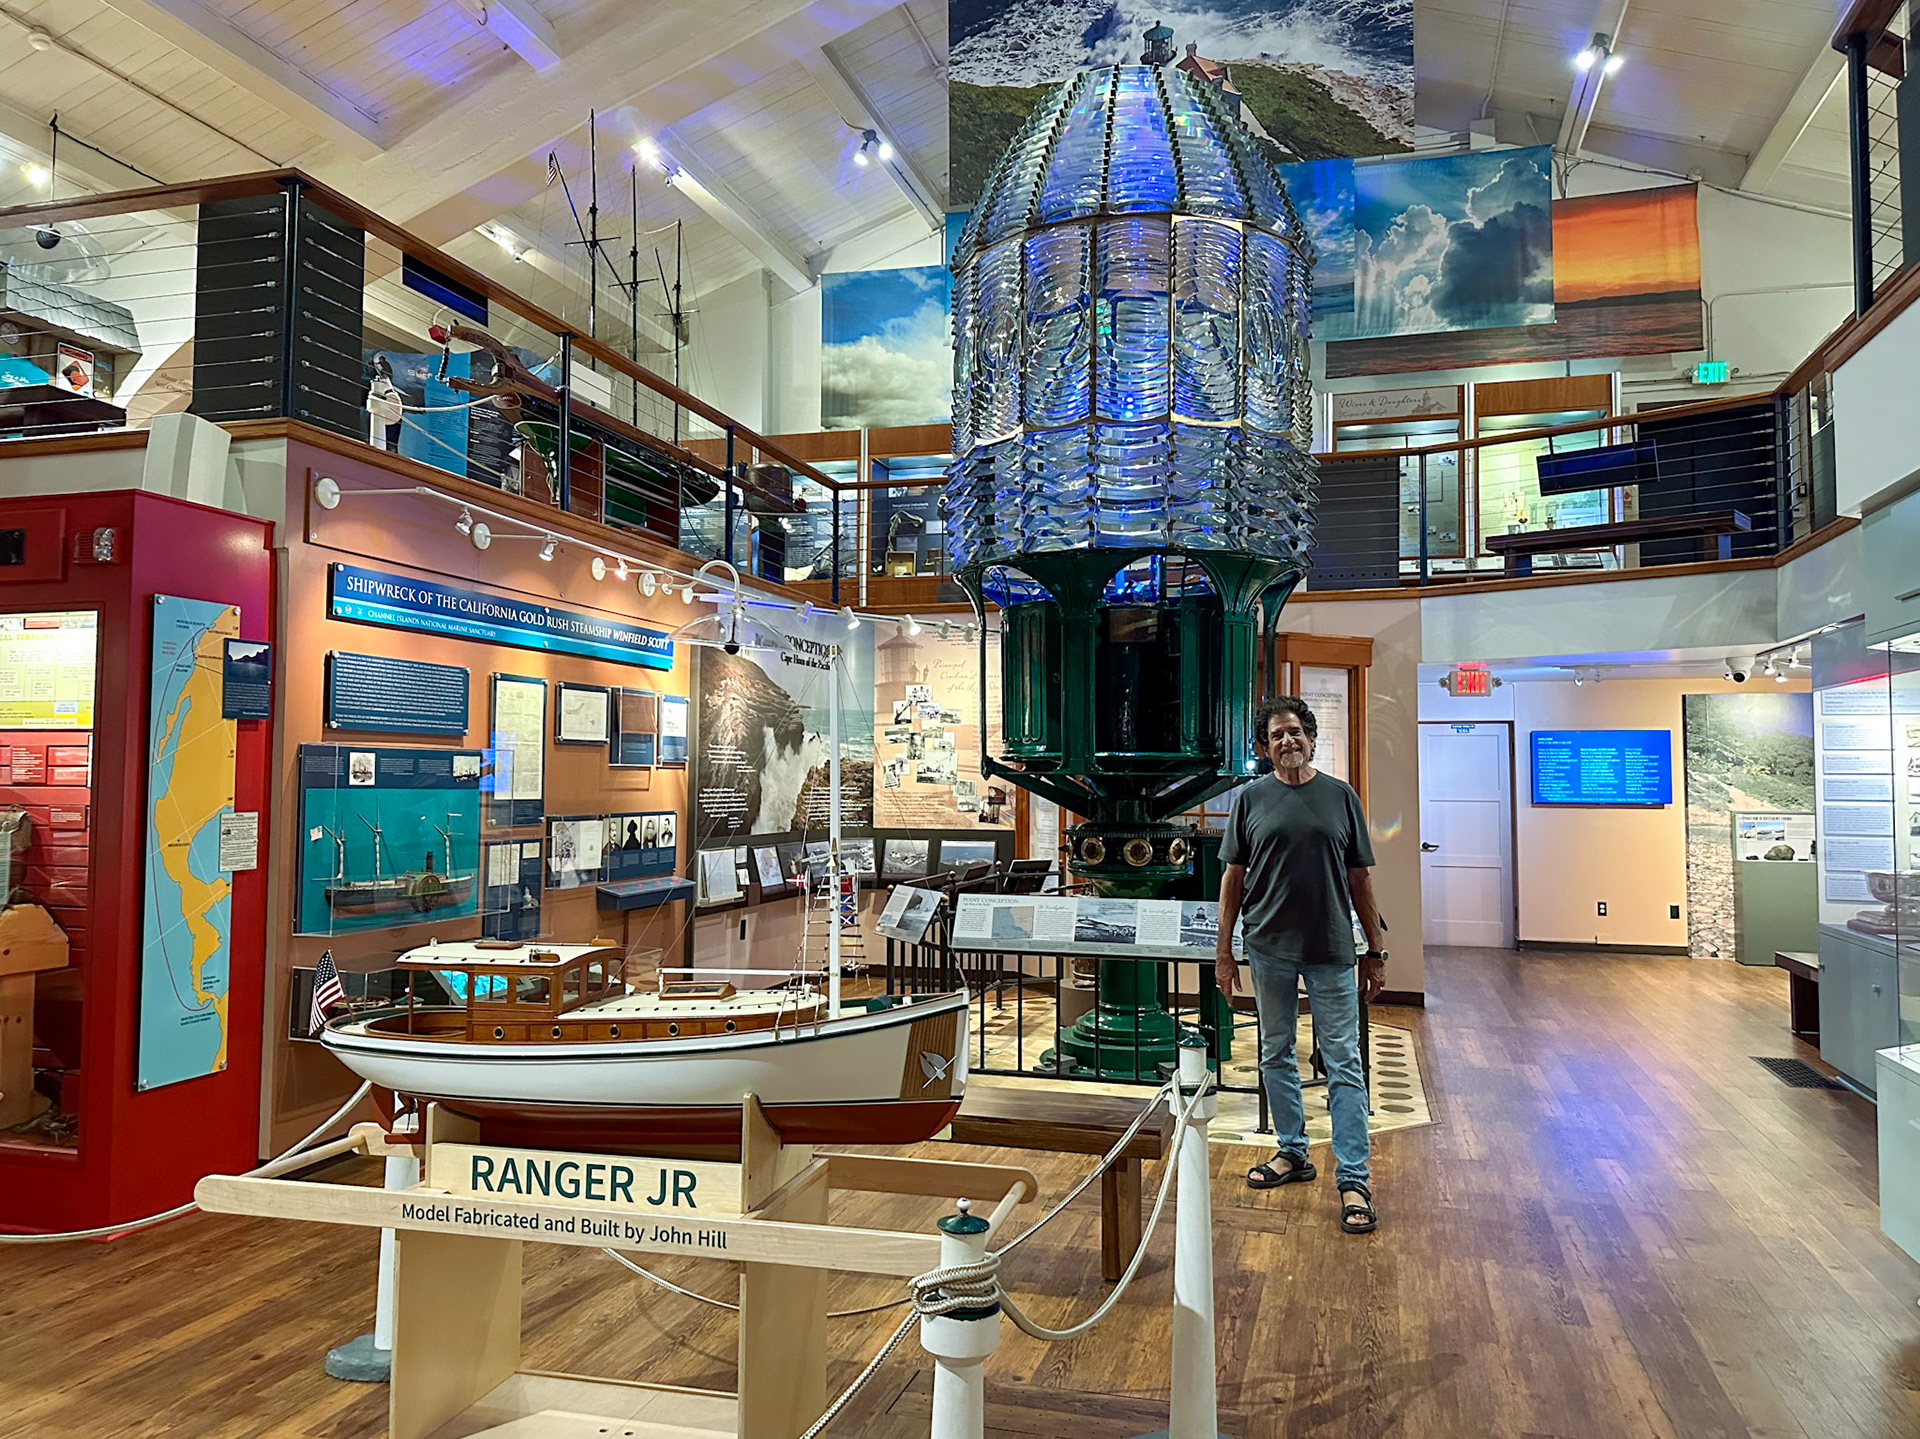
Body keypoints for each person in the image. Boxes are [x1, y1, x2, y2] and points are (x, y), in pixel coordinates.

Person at [1215, 696, 1388, 1234]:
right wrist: (1224, 952)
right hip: (1269, 948)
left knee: (1343, 1061)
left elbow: (1361, 877)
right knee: (1275, 1052)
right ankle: (1293, 1152)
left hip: (1334, 948)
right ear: (1264, 748)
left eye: (1295, 732)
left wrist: (1375, 951)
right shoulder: (1250, 800)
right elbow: (1232, 881)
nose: (1287, 741)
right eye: (1276, 735)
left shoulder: (1340, 797)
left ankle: (1354, 1178)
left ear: (1310, 738)